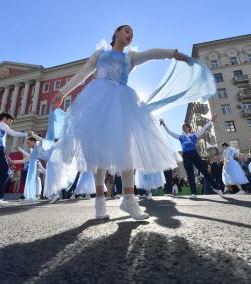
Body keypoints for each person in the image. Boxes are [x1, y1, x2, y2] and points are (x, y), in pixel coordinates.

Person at [52, 25, 191, 220]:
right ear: (116, 33)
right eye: (126, 30)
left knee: (126, 149)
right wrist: (62, 92)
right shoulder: (100, 54)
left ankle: (129, 199)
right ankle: (99, 202)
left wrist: (172, 53)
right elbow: (83, 73)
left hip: (123, 103)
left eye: (132, 34)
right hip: (97, 101)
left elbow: (152, 54)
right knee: (98, 153)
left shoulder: (130, 57)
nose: (130, 34)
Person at [161, 115, 223, 199]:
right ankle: (193, 192)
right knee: (190, 174)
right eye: (182, 127)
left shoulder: (194, 135)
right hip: (186, 155)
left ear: (189, 128)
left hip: (194, 154)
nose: (183, 128)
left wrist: (211, 120)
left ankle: (217, 188)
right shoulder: (181, 137)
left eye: (185, 126)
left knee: (204, 171)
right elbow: (170, 132)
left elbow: (204, 128)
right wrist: (164, 124)